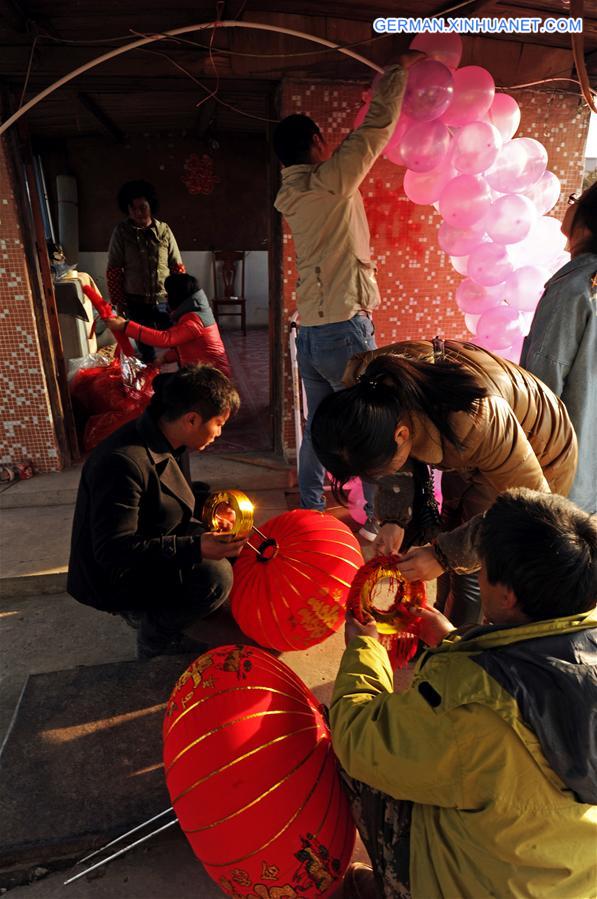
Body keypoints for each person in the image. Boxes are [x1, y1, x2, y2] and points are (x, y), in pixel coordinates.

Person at [332, 487, 597, 899]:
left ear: (507, 594)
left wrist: (364, 648)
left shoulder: (471, 702)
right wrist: (456, 640)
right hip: (568, 877)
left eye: (484, 568)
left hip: (480, 885)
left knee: (347, 744)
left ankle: (396, 886)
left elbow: (360, 736)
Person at [311, 338, 577, 626]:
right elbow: (391, 461)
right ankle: (437, 624)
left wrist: (443, 556)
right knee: (452, 533)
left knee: (476, 567)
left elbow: (532, 508)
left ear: (402, 436)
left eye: (377, 470)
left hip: (540, 447)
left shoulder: (475, 418)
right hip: (473, 444)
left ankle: (455, 650)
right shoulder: (368, 399)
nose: (376, 477)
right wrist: (393, 520)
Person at [273, 53, 423, 540]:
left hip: (311, 334)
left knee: (320, 424)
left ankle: (313, 512)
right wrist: (395, 71)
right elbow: (375, 129)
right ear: (316, 142)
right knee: (371, 429)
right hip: (342, 330)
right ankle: (380, 523)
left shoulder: (292, 193)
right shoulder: (331, 182)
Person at [67, 365, 245, 660]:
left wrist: (212, 507)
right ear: (191, 419)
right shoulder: (122, 462)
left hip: (151, 539)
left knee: (228, 544)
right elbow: (113, 551)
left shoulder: (167, 438)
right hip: (114, 576)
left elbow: (169, 496)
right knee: (215, 575)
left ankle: (172, 611)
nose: (219, 433)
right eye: (219, 423)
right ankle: (153, 634)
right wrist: (196, 547)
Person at [520, 181, 597, 514]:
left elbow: (542, 390)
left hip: (562, 482)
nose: (570, 203)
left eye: (575, 199)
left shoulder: (575, 289)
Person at [106, 179, 185, 362]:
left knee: (175, 345)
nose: (138, 212)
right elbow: (114, 270)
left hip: (165, 300)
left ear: (151, 206)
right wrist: (119, 302)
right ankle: (150, 384)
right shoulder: (122, 232)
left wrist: (180, 300)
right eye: (133, 208)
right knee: (145, 350)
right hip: (135, 301)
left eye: (142, 207)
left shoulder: (164, 230)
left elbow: (177, 267)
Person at [104, 272, 232, 378]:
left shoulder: (195, 320)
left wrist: (125, 326)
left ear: (177, 296)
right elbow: (189, 350)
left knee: (163, 389)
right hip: (201, 372)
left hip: (213, 379)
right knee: (160, 382)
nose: (166, 298)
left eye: (168, 294)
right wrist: (165, 359)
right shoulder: (194, 313)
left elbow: (165, 338)